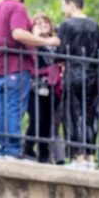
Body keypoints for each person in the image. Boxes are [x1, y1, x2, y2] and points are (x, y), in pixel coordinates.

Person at [0, 0, 59, 159]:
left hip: (0, 68)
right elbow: (17, 33)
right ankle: (12, 150)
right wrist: (45, 40)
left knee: (2, 109)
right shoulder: (17, 7)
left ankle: (3, 149)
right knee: (13, 109)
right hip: (16, 67)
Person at [57, 0, 99, 169]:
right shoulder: (95, 25)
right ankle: (91, 157)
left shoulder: (67, 25)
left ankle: (78, 157)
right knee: (90, 116)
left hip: (74, 74)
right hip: (94, 76)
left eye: (64, 5)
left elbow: (60, 54)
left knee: (72, 115)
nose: (63, 10)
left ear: (71, 4)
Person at [23, 13, 63, 163]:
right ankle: (27, 148)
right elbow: (31, 58)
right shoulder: (32, 44)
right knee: (37, 118)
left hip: (53, 87)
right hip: (35, 86)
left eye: (45, 21)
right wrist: (36, 37)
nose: (42, 24)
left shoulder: (56, 43)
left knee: (48, 122)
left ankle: (44, 154)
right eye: (38, 22)